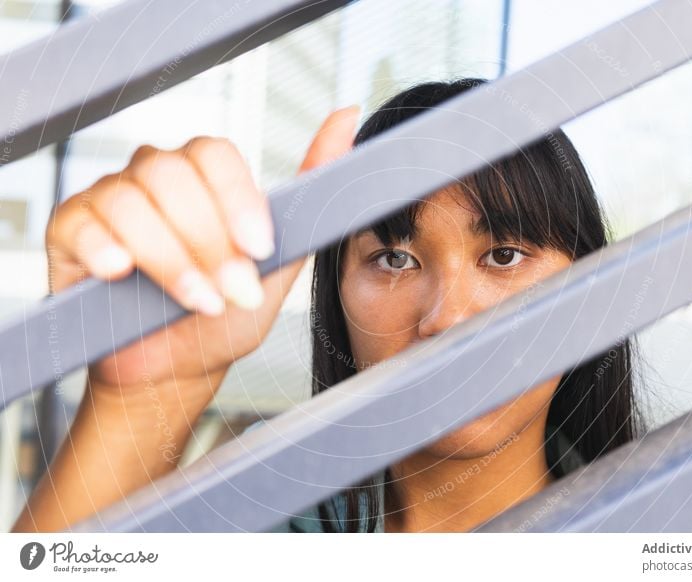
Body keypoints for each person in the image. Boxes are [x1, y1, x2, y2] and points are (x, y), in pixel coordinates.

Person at [12, 78, 641, 534]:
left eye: (504, 255)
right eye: (394, 258)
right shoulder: (244, 515)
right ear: (336, 297)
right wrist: (136, 403)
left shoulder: (666, 527)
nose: (446, 319)